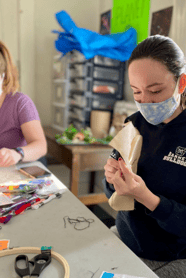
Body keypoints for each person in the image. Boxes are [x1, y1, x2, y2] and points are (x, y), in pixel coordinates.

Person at [103, 34, 186, 262]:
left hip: (171, 257)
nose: (145, 102)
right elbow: (112, 195)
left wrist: (147, 198)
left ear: (182, 82)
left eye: (156, 91)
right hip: (125, 240)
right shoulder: (134, 124)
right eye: (137, 92)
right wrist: (112, 180)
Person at [0, 41, 47, 167]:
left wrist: (17, 153)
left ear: (2, 76)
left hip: (21, 170)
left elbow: (41, 146)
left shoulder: (20, 102)